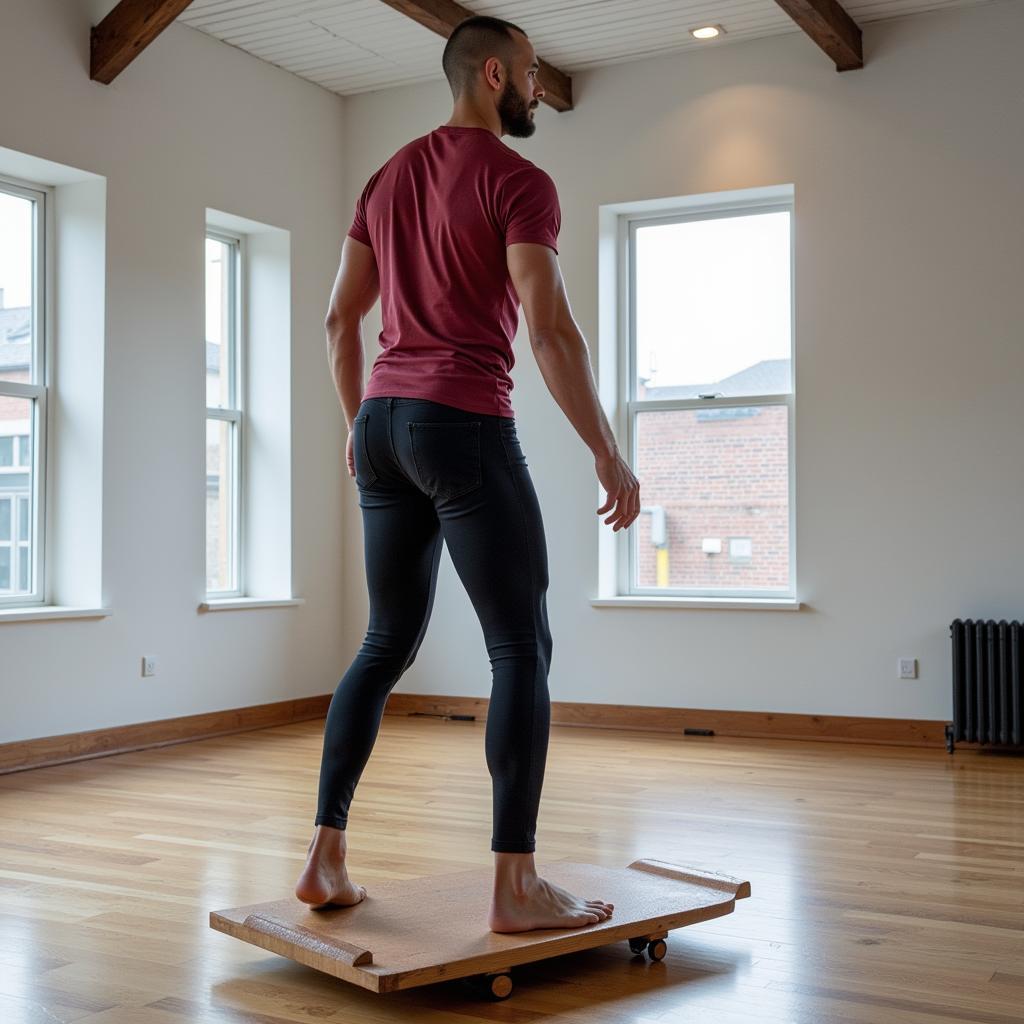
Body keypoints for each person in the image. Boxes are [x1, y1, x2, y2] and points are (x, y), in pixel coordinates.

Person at [295, 14, 640, 933]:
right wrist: (607, 449)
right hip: (463, 421)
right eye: (529, 73)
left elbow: (340, 322)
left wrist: (357, 425)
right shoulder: (519, 181)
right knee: (520, 644)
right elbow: (550, 326)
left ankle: (326, 859)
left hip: (382, 425)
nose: (536, 89)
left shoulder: (386, 175)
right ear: (493, 75)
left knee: (386, 641)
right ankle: (516, 886)